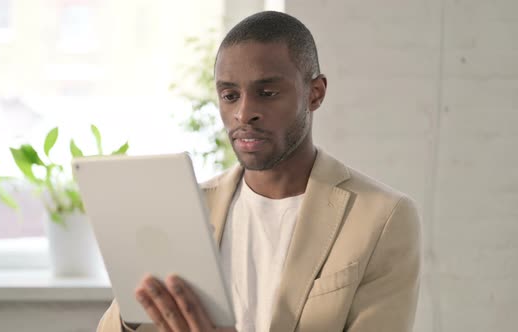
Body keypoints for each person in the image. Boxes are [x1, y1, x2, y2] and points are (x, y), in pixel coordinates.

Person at [97, 10, 421, 332]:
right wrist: (137, 310)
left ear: (315, 93)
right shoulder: (186, 209)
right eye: (230, 95)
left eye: (267, 93)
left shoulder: (382, 217)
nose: (244, 113)